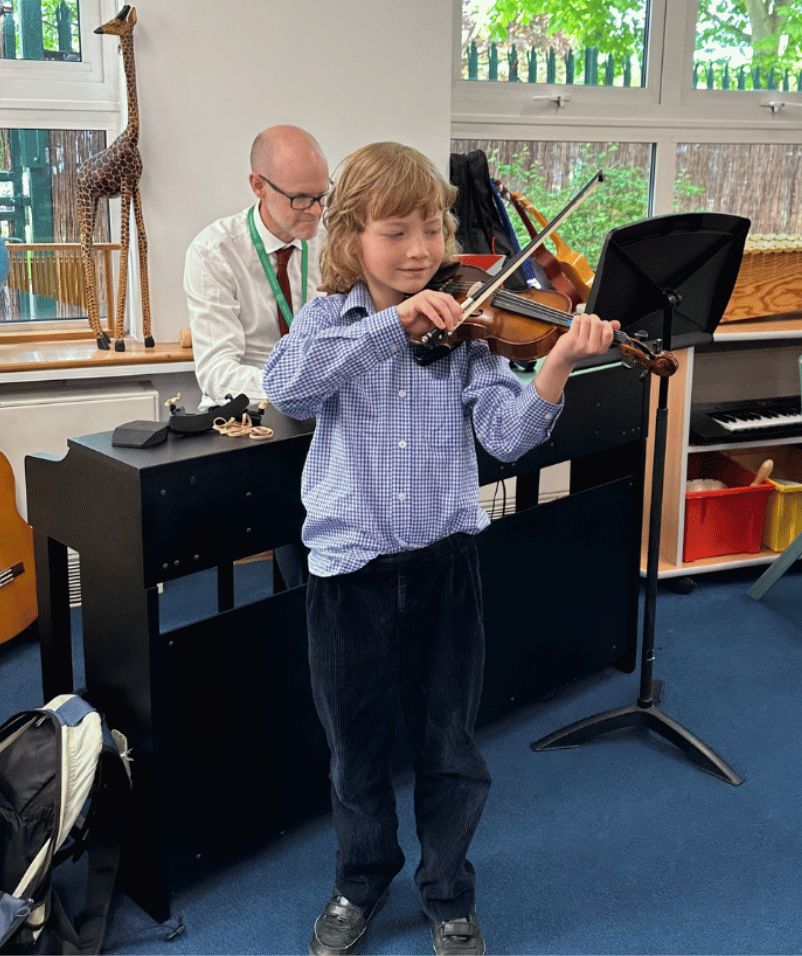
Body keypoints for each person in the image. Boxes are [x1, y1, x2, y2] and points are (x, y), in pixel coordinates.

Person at [262, 141, 618, 956]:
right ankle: (360, 880)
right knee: (356, 750)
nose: (420, 251)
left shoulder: (473, 331)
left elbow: (507, 433)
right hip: (350, 575)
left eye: (431, 229)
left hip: (445, 567)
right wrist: (391, 325)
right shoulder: (332, 321)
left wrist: (556, 366)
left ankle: (449, 890)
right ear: (353, 239)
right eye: (396, 232)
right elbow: (290, 386)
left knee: (450, 747)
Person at [185, 124, 330, 410]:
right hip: (245, 412)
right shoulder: (214, 252)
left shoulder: (330, 243)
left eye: (322, 195)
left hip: (318, 406)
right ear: (259, 186)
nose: (316, 210)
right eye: (300, 198)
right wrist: (293, 387)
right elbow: (217, 373)